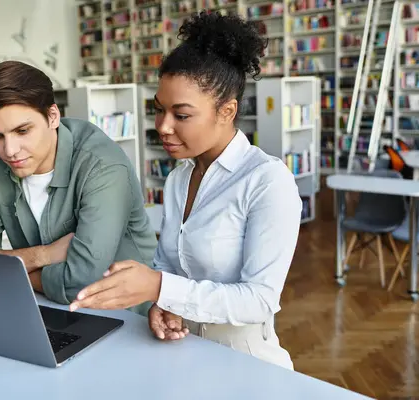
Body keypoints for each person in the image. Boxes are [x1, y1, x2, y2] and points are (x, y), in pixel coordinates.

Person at [68, 11, 302, 370]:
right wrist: (162, 304)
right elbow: (169, 263)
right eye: (159, 110)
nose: (163, 126)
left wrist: (158, 288)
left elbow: (258, 300)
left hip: (246, 364)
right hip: (183, 352)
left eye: (181, 115)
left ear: (227, 111)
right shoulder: (179, 177)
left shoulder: (267, 181)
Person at [0, 60, 157, 315]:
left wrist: (10, 270)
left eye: (22, 131)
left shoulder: (103, 166)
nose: (10, 150)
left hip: (126, 319)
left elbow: (80, 283)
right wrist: (43, 255)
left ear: (53, 117)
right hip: (46, 310)